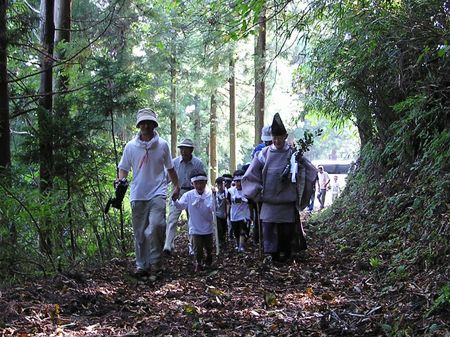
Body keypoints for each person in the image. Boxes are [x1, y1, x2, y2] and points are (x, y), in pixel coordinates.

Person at [117, 108, 180, 277]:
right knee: (140, 233)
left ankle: (156, 263)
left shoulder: (163, 145)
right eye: (143, 123)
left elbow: (171, 168)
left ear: (154, 125)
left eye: (149, 123)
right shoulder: (130, 147)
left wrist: (176, 186)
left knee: (157, 226)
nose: (146, 126)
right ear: (139, 125)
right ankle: (142, 266)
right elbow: (123, 168)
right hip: (138, 194)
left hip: (158, 192)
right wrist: (120, 180)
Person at [241, 113, 300, 263]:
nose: (277, 140)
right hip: (268, 201)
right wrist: (255, 190)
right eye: (274, 137)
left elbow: (305, 172)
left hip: (286, 202)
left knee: (286, 232)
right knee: (269, 231)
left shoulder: (292, 153)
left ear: (285, 136)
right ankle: (273, 256)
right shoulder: (263, 154)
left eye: (279, 137)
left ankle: (286, 255)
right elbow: (251, 174)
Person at [164, 138, 205, 255]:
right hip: (178, 192)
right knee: (172, 218)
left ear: (191, 150)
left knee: (193, 221)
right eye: (181, 149)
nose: (183, 151)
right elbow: (166, 179)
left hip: (193, 193)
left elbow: (202, 180)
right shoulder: (174, 162)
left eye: (186, 149)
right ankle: (168, 245)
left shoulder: (198, 163)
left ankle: (192, 246)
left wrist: (201, 195)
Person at [172, 169, 214, 272]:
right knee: (197, 247)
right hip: (195, 227)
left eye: (201, 183)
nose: (199, 185)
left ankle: (209, 258)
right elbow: (180, 206)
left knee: (209, 247)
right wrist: (175, 200)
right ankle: (198, 263)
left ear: (205, 182)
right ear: (192, 183)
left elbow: (213, 209)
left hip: (208, 227)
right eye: (196, 183)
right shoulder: (189, 195)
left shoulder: (210, 194)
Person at [227, 169, 251, 252]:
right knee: (236, 232)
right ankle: (238, 244)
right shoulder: (230, 191)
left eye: (240, 181)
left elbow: (251, 200)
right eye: (237, 181)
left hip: (244, 214)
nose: (238, 183)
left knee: (242, 231)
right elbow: (229, 201)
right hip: (234, 215)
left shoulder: (247, 190)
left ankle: (241, 246)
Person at [214, 176, 228, 247]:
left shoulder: (227, 192)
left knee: (224, 228)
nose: (220, 186)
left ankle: (224, 240)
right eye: (218, 184)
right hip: (217, 214)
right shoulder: (215, 194)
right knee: (219, 229)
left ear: (224, 184)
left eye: (221, 184)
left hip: (224, 214)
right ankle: (220, 242)